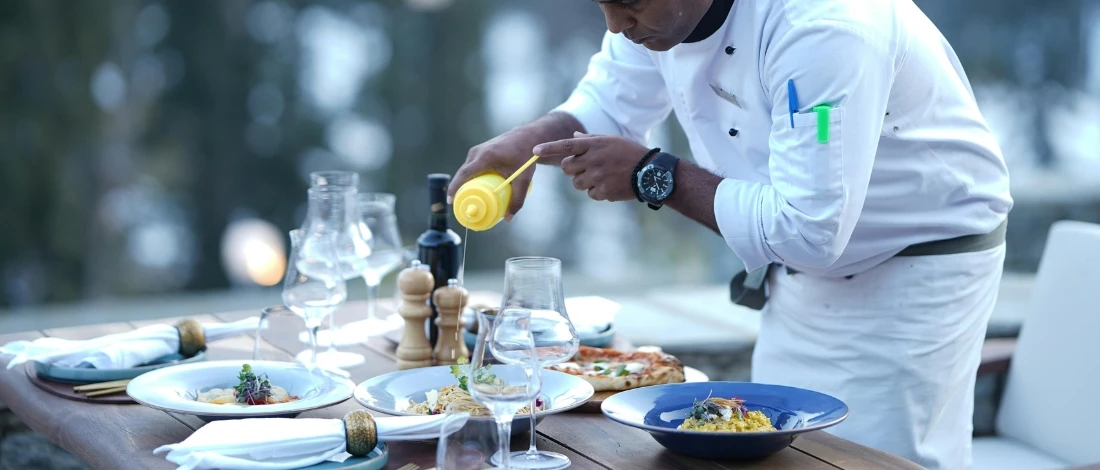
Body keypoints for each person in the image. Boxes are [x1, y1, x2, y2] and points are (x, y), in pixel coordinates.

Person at [448, 1, 1012, 468]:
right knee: (785, 455)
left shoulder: (826, 28)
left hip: (912, 276)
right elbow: (607, 104)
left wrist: (655, 175)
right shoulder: (656, 17)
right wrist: (530, 139)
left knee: (873, 460)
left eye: (628, 5)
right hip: (803, 276)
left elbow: (809, 229)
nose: (615, 24)